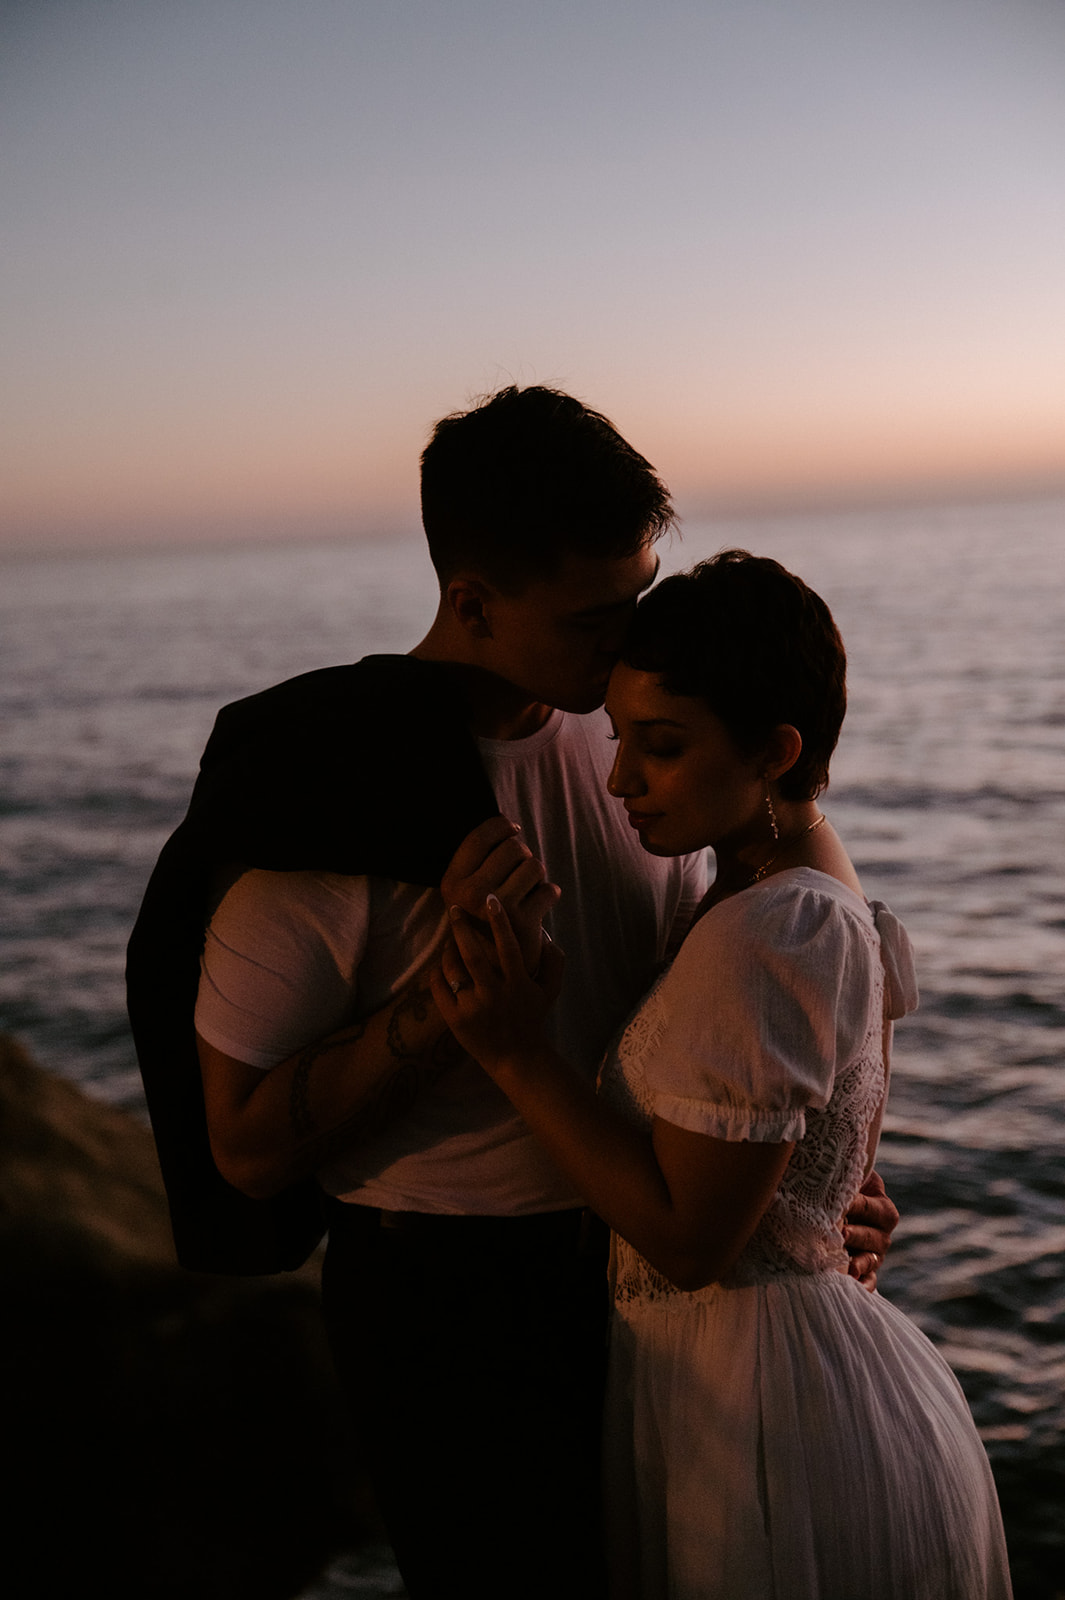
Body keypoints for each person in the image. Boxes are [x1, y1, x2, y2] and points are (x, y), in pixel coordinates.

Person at [186, 391, 899, 1598]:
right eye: (594, 617)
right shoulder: (338, 797)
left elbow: (730, 1010)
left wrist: (810, 1188)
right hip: (456, 1310)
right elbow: (245, 1149)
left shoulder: (632, 741)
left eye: (640, 595)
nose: (631, 643)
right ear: (474, 603)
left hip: (649, 1293)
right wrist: (445, 1016)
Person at [435, 551, 1013, 1599]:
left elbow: (691, 1240)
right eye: (618, 738)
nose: (618, 779)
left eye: (661, 746)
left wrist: (513, 1050)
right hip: (781, 1375)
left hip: (765, 1421)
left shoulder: (775, 926)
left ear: (775, 750)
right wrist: (825, 1220)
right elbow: (821, 1165)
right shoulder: (795, 882)